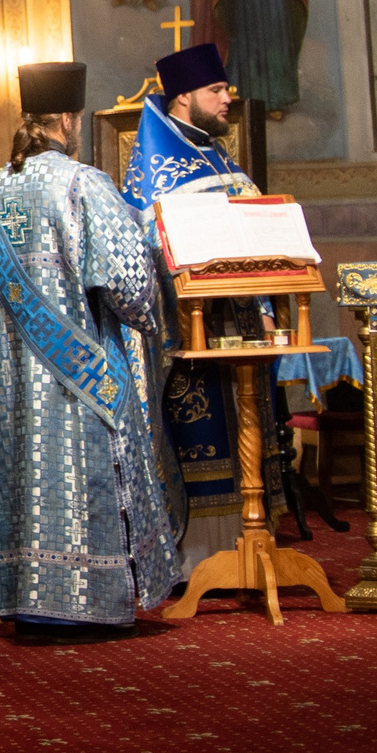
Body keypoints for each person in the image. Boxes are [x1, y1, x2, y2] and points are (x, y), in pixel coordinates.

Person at [0, 63, 181, 642]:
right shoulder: (84, 185)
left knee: (25, 484)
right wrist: (154, 317)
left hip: (9, 386)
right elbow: (128, 286)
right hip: (80, 383)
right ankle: (90, 603)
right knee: (82, 481)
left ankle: (30, 603)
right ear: (67, 119)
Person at [119, 42, 277, 580]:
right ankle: (200, 560)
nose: (228, 98)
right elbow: (149, 253)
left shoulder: (216, 154)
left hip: (240, 333)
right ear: (184, 96)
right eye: (216, 90)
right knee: (202, 440)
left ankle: (251, 541)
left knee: (247, 439)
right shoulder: (160, 169)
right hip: (190, 338)